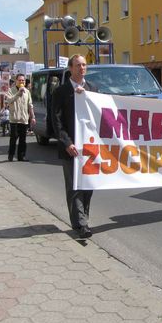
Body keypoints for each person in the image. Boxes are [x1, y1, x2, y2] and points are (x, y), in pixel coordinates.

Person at [51, 55, 96, 238]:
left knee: (88, 186)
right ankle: (81, 224)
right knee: (74, 186)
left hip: (89, 148)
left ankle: (83, 218)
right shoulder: (60, 92)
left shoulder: (93, 89)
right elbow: (57, 120)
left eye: (84, 65)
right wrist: (67, 142)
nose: (82, 68)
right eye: (78, 65)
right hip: (70, 147)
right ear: (70, 68)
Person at [5, 73, 35, 161]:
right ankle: (11, 155)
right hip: (14, 119)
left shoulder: (27, 91)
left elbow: (30, 105)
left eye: (23, 80)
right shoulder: (11, 90)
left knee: (23, 139)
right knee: (13, 138)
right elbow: (9, 101)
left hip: (24, 119)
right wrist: (18, 93)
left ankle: (21, 156)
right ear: (16, 81)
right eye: (20, 80)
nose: (22, 81)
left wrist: (32, 117)